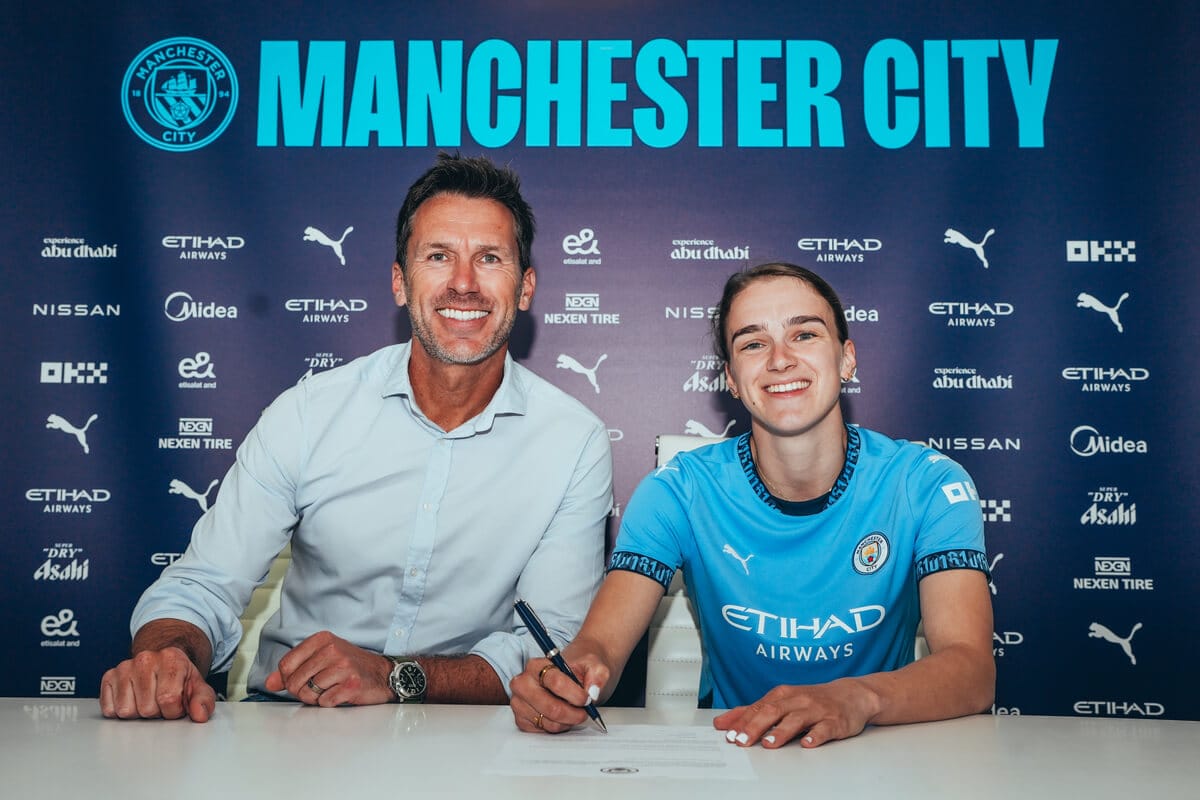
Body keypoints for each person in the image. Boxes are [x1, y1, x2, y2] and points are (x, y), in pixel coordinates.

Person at [100, 154, 613, 722]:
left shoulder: (572, 443)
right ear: (400, 282)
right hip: (291, 724)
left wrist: (395, 677)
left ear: (525, 288)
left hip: (463, 735)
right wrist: (167, 656)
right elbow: (204, 584)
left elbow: (548, 647)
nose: (463, 283)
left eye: (489, 259)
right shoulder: (309, 413)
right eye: (438, 256)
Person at [510, 262, 993, 747]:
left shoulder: (928, 484)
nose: (780, 359)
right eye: (754, 343)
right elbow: (601, 648)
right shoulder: (677, 490)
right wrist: (572, 675)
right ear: (732, 379)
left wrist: (854, 699)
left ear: (847, 358)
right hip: (735, 760)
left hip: (880, 754)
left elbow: (971, 670)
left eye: (804, 334)